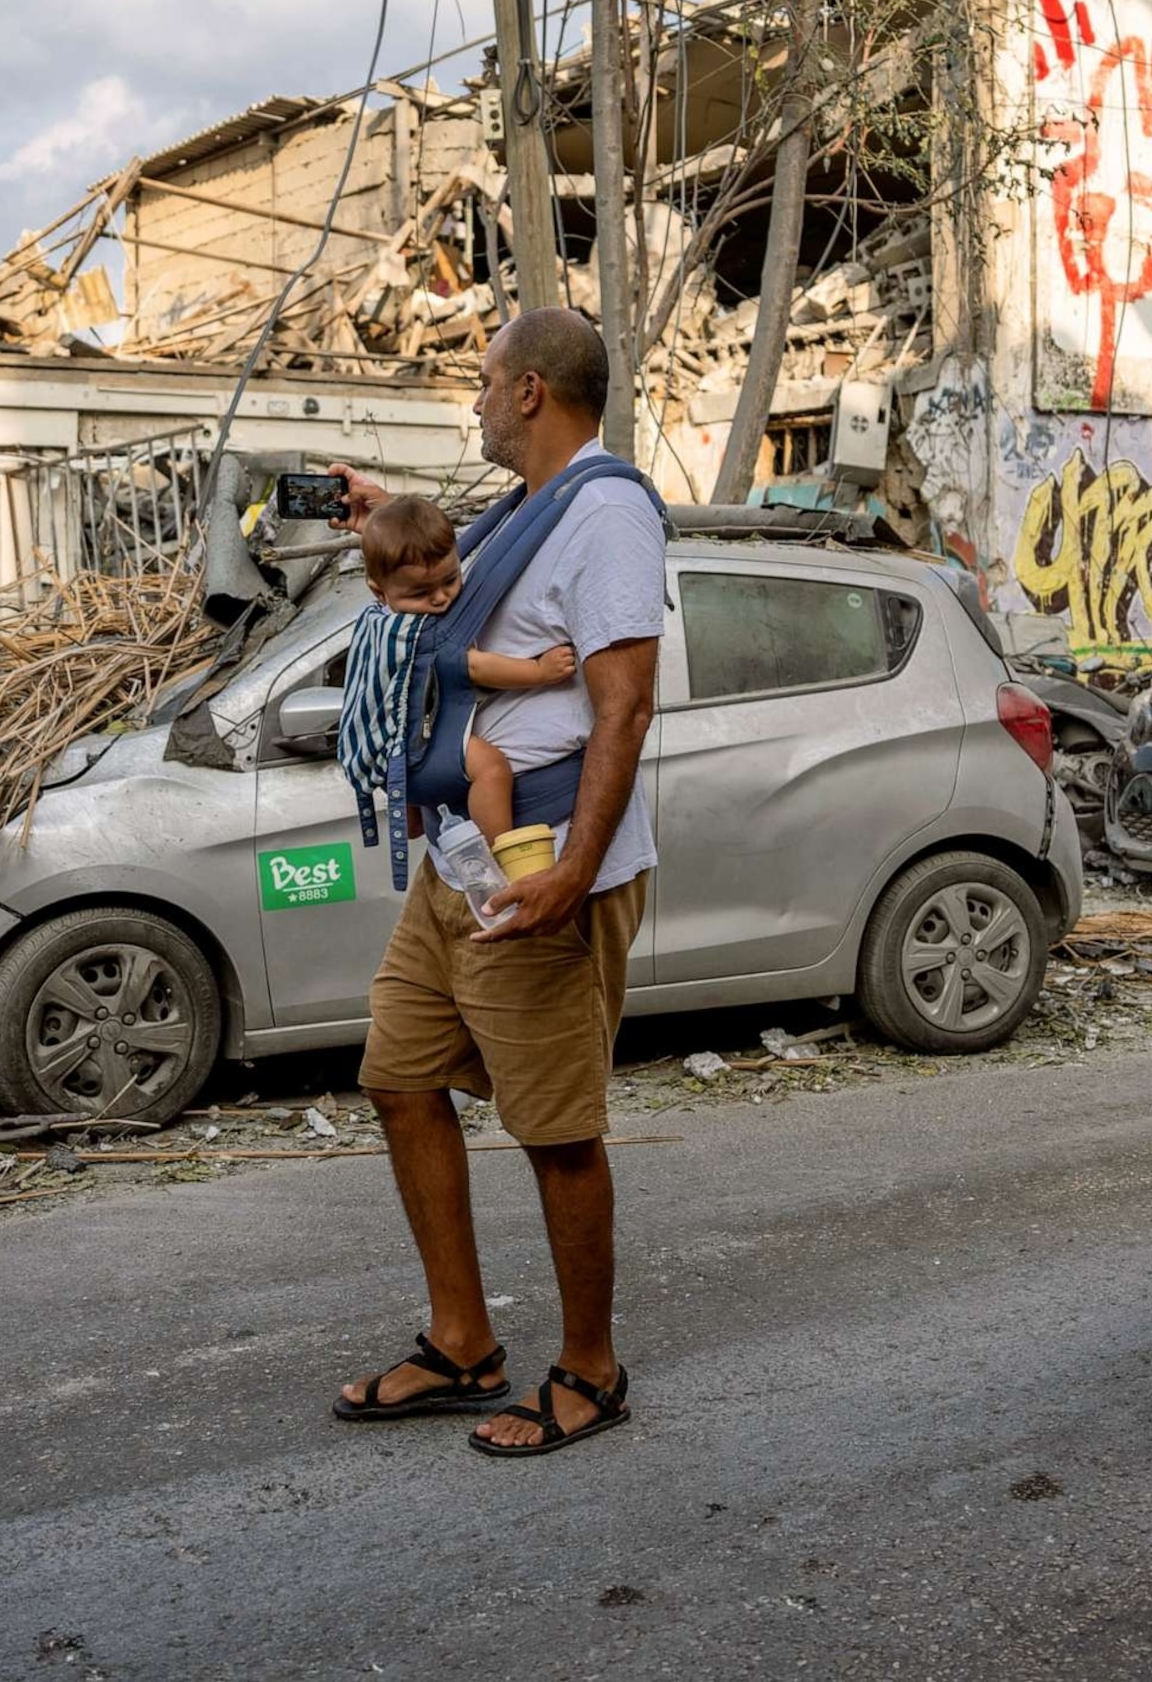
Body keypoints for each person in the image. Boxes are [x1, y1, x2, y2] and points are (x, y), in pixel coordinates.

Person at [323, 307, 665, 1457]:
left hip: (538, 867)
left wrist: (575, 871)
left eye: (481, 384)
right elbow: (447, 592)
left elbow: (623, 703)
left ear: (529, 391)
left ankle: (591, 1368)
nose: (472, 402)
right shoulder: (524, 512)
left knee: (554, 1124)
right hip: (457, 864)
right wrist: (386, 517)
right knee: (399, 1073)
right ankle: (464, 1340)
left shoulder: (608, 513)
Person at [334, 493, 578, 871]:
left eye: (451, 579)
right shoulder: (420, 633)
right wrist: (539, 671)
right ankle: (504, 852)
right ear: (379, 592)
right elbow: (476, 668)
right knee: (492, 768)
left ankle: (414, 816)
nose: (440, 598)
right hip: (413, 761)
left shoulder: (375, 620)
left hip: (384, 756)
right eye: (419, 593)